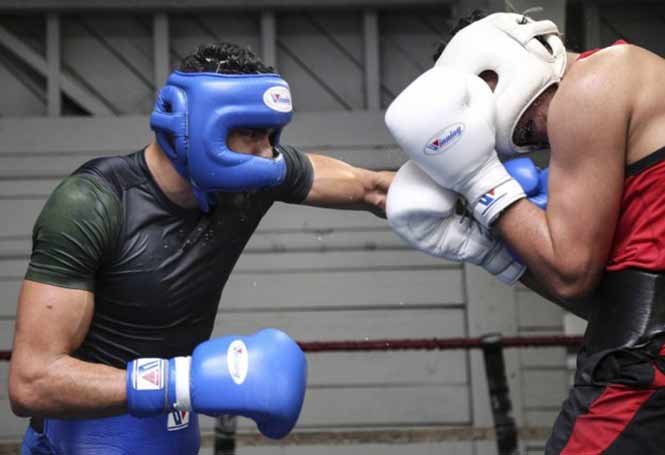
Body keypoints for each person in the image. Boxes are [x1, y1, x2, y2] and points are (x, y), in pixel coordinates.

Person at [9, 42, 393, 455]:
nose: (266, 152)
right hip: (87, 436)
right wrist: (180, 382)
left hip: (173, 430)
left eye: (271, 134)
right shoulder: (92, 203)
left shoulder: (254, 176)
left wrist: (464, 194)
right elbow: (32, 382)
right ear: (198, 125)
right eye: (249, 132)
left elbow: (373, 190)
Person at [384, 10, 665, 455]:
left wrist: (477, 178)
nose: (489, 127)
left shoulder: (593, 84)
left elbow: (570, 273)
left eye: (480, 100)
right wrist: (478, 248)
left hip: (642, 370)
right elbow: (596, 297)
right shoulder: (620, 88)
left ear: (493, 62)